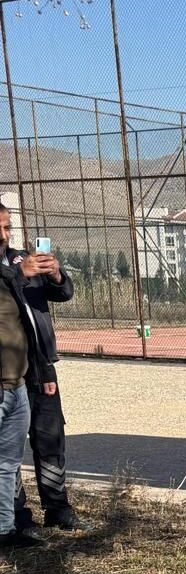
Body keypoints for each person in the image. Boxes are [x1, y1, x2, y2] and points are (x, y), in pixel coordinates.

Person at [0, 206, 86, 536]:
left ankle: (58, 508)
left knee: (50, 438)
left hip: (40, 367)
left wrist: (55, 274)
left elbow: (63, 294)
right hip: (9, 374)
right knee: (8, 450)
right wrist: (21, 274)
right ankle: (18, 516)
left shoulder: (21, 259)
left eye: (8, 227)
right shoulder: (15, 269)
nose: (5, 235)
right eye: (1, 228)